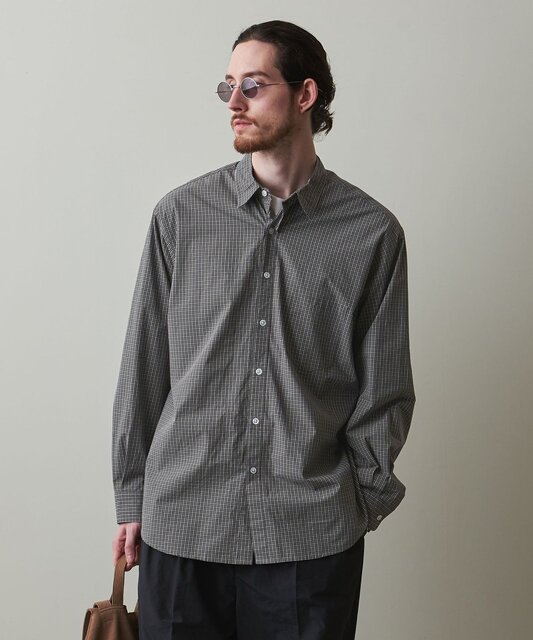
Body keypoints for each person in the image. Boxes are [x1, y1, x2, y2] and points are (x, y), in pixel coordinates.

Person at [111, 19, 416, 640]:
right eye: (227, 87)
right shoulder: (181, 217)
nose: (235, 103)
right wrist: (132, 497)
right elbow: (144, 366)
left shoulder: (371, 233)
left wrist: (360, 501)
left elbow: (385, 389)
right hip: (182, 526)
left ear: (306, 95)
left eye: (252, 86)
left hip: (311, 534)